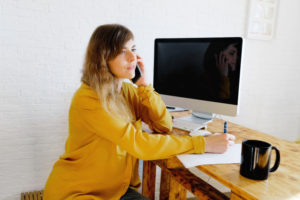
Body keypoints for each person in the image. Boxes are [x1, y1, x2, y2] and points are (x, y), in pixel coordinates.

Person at [43, 24, 235, 200]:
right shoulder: (89, 98)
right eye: (121, 51)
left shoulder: (126, 91)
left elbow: (164, 125)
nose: (132, 58)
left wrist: (143, 86)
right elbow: (138, 144)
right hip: (77, 193)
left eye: (133, 50)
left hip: (115, 192)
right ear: (102, 58)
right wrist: (203, 143)